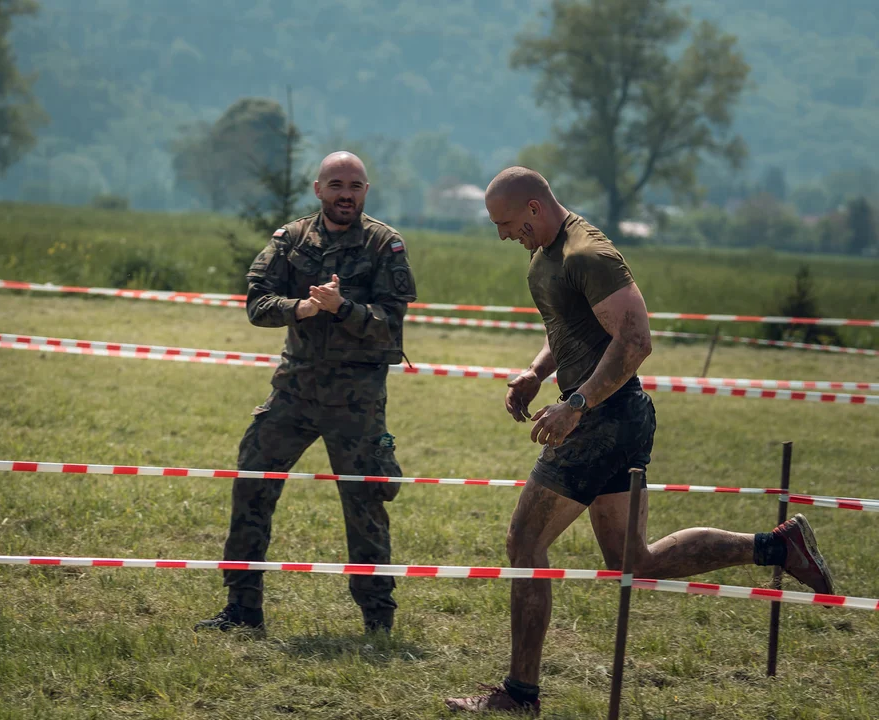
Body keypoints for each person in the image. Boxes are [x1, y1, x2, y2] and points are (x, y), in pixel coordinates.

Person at [444, 167, 834, 714]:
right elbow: (574, 329)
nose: (504, 235)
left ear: (534, 208)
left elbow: (635, 340)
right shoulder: (546, 257)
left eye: (507, 223)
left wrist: (576, 405)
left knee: (524, 542)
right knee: (634, 560)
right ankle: (777, 546)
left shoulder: (588, 255)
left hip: (603, 419)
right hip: (610, 418)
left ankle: (520, 694)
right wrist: (536, 373)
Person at [194, 151, 417, 636]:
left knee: (366, 506)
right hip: (293, 393)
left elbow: (390, 329)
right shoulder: (291, 239)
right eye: (336, 185)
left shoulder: (385, 245)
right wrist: (301, 309)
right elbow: (257, 303)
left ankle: (378, 620)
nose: (345, 195)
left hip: (356, 403)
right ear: (318, 189)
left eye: (355, 187)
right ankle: (242, 609)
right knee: (252, 483)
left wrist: (342, 308)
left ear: (365, 192)